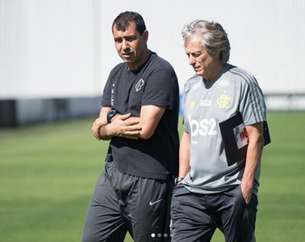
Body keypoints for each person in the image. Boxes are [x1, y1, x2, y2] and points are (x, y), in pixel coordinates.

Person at [81, 11, 180, 242]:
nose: (124, 46)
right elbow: (97, 127)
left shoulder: (160, 71)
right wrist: (111, 128)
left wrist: (108, 126)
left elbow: (145, 128)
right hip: (112, 174)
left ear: (145, 36)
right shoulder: (116, 73)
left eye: (130, 38)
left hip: (150, 180)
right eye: (118, 40)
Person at [170, 20, 268, 242]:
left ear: (216, 50)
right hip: (192, 195)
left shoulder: (243, 82)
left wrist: (245, 188)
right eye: (188, 55)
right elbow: (188, 134)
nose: (190, 61)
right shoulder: (190, 86)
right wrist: (181, 180)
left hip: (231, 192)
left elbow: (256, 137)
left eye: (196, 54)